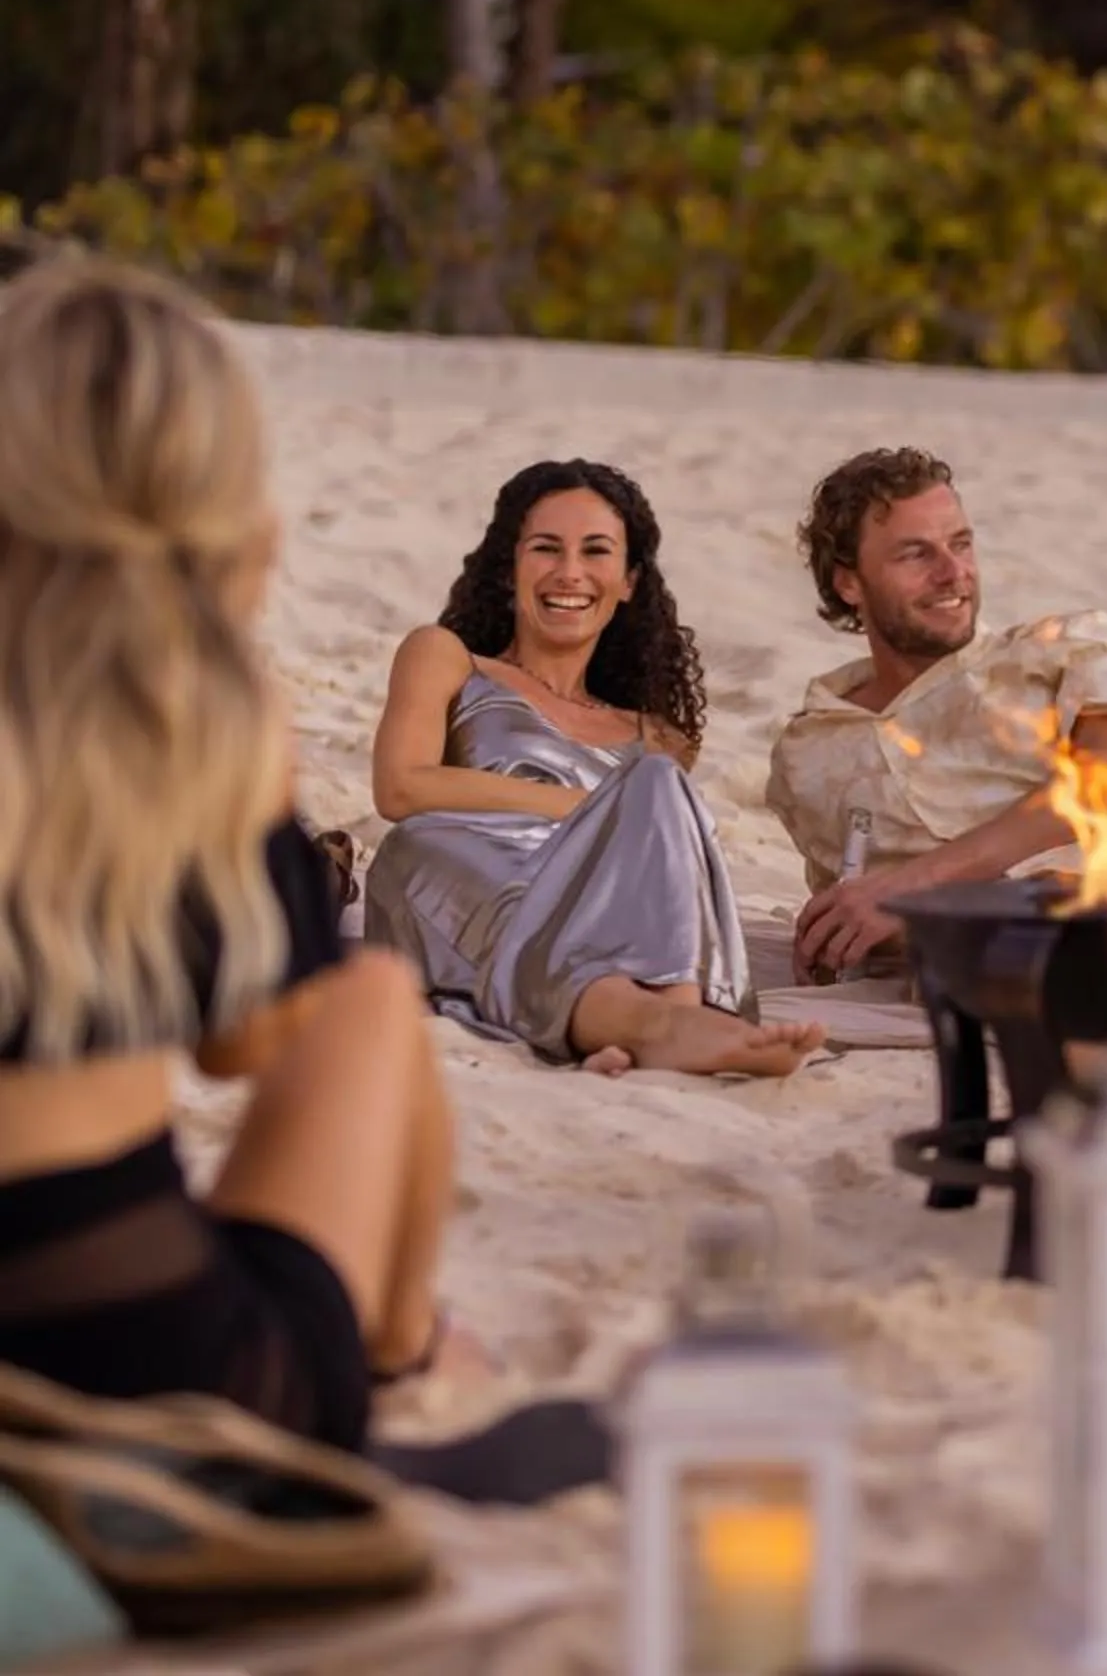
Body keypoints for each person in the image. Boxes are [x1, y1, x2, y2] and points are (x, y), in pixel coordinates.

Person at [0, 258, 456, 1453]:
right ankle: (407, 1350)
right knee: (372, 995)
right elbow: (248, 1039)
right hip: (159, 1375)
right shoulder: (202, 722)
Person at [364, 461, 824, 1077]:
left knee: (657, 784)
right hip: (465, 862)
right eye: (546, 548)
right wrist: (594, 808)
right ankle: (660, 1027)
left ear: (629, 581)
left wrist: (617, 813)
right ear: (508, 569)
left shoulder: (656, 737)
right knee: (443, 852)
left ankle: (661, 1018)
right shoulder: (447, 657)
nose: (570, 572)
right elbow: (401, 787)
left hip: (594, 901)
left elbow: (659, 887)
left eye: (596, 551)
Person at [764, 447, 1107, 982]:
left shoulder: (1073, 647)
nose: (953, 573)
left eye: (961, 544)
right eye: (915, 555)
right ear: (849, 583)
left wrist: (917, 883)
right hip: (989, 964)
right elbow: (856, 921)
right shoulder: (810, 752)